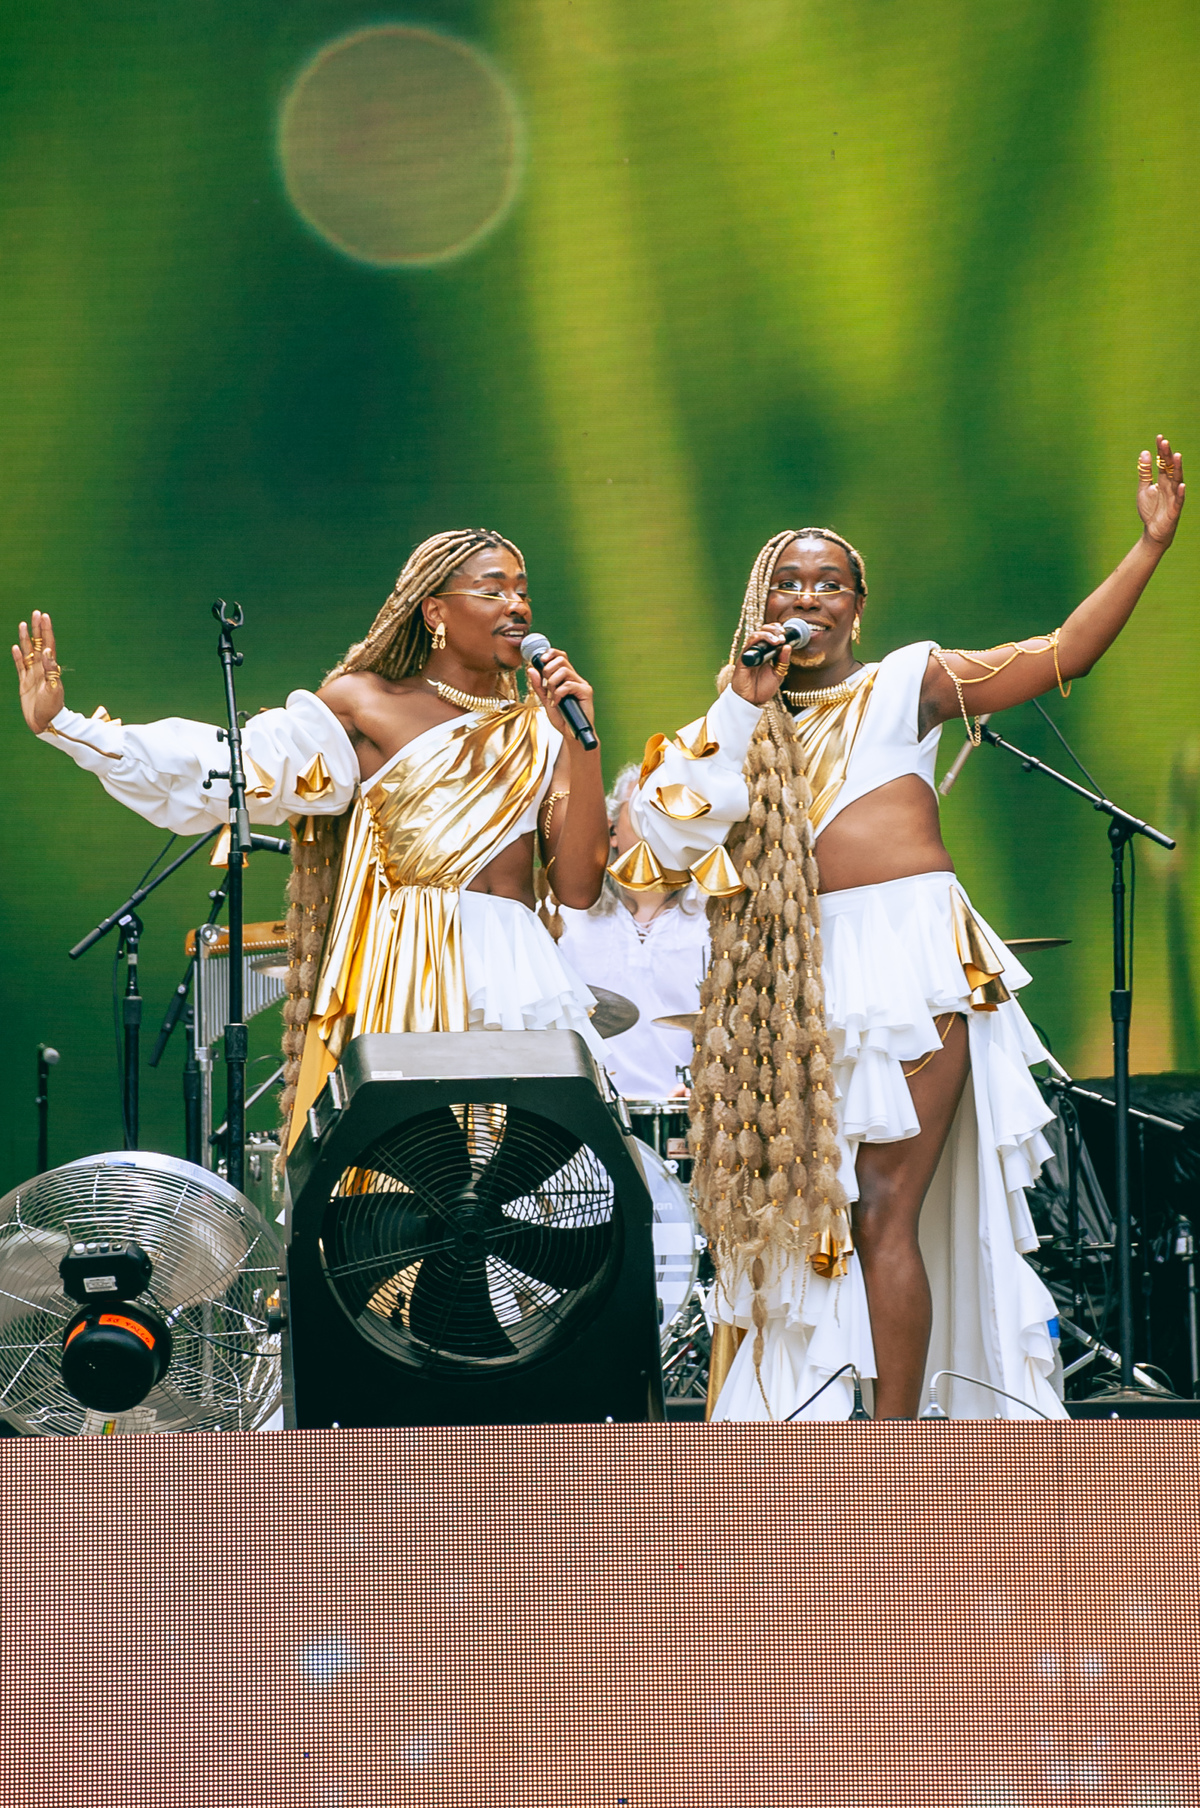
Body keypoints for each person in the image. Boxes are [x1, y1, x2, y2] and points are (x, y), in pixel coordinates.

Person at [624, 438, 1186, 1420]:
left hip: (912, 961)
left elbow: (1062, 654)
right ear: (759, 606)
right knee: (809, 1212)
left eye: (829, 583)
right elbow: (669, 830)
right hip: (794, 982)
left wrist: (1149, 546)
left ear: (859, 605)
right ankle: (818, 1412)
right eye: (789, 582)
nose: (809, 597)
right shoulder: (732, 722)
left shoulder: (907, 680)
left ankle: (897, 1445)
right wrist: (742, 703)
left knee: (887, 1205)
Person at [13, 529, 611, 1150]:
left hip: (514, 972)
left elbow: (577, 887)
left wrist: (581, 744)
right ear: (435, 611)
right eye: (493, 591)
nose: (516, 606)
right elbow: (229, 764)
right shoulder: (367, 703)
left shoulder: (543, 730)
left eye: (522, 592)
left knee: (526, 1171)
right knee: (415, 1167)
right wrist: (69, 728)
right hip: (411, 967)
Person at [556, 764, 711, 1100]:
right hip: (593, 1112)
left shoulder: (714, 916)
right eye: (644, 808)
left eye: (670, 811)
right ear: (612, 830)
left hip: (692, 1111)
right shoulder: (566, 916)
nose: (657, 823)